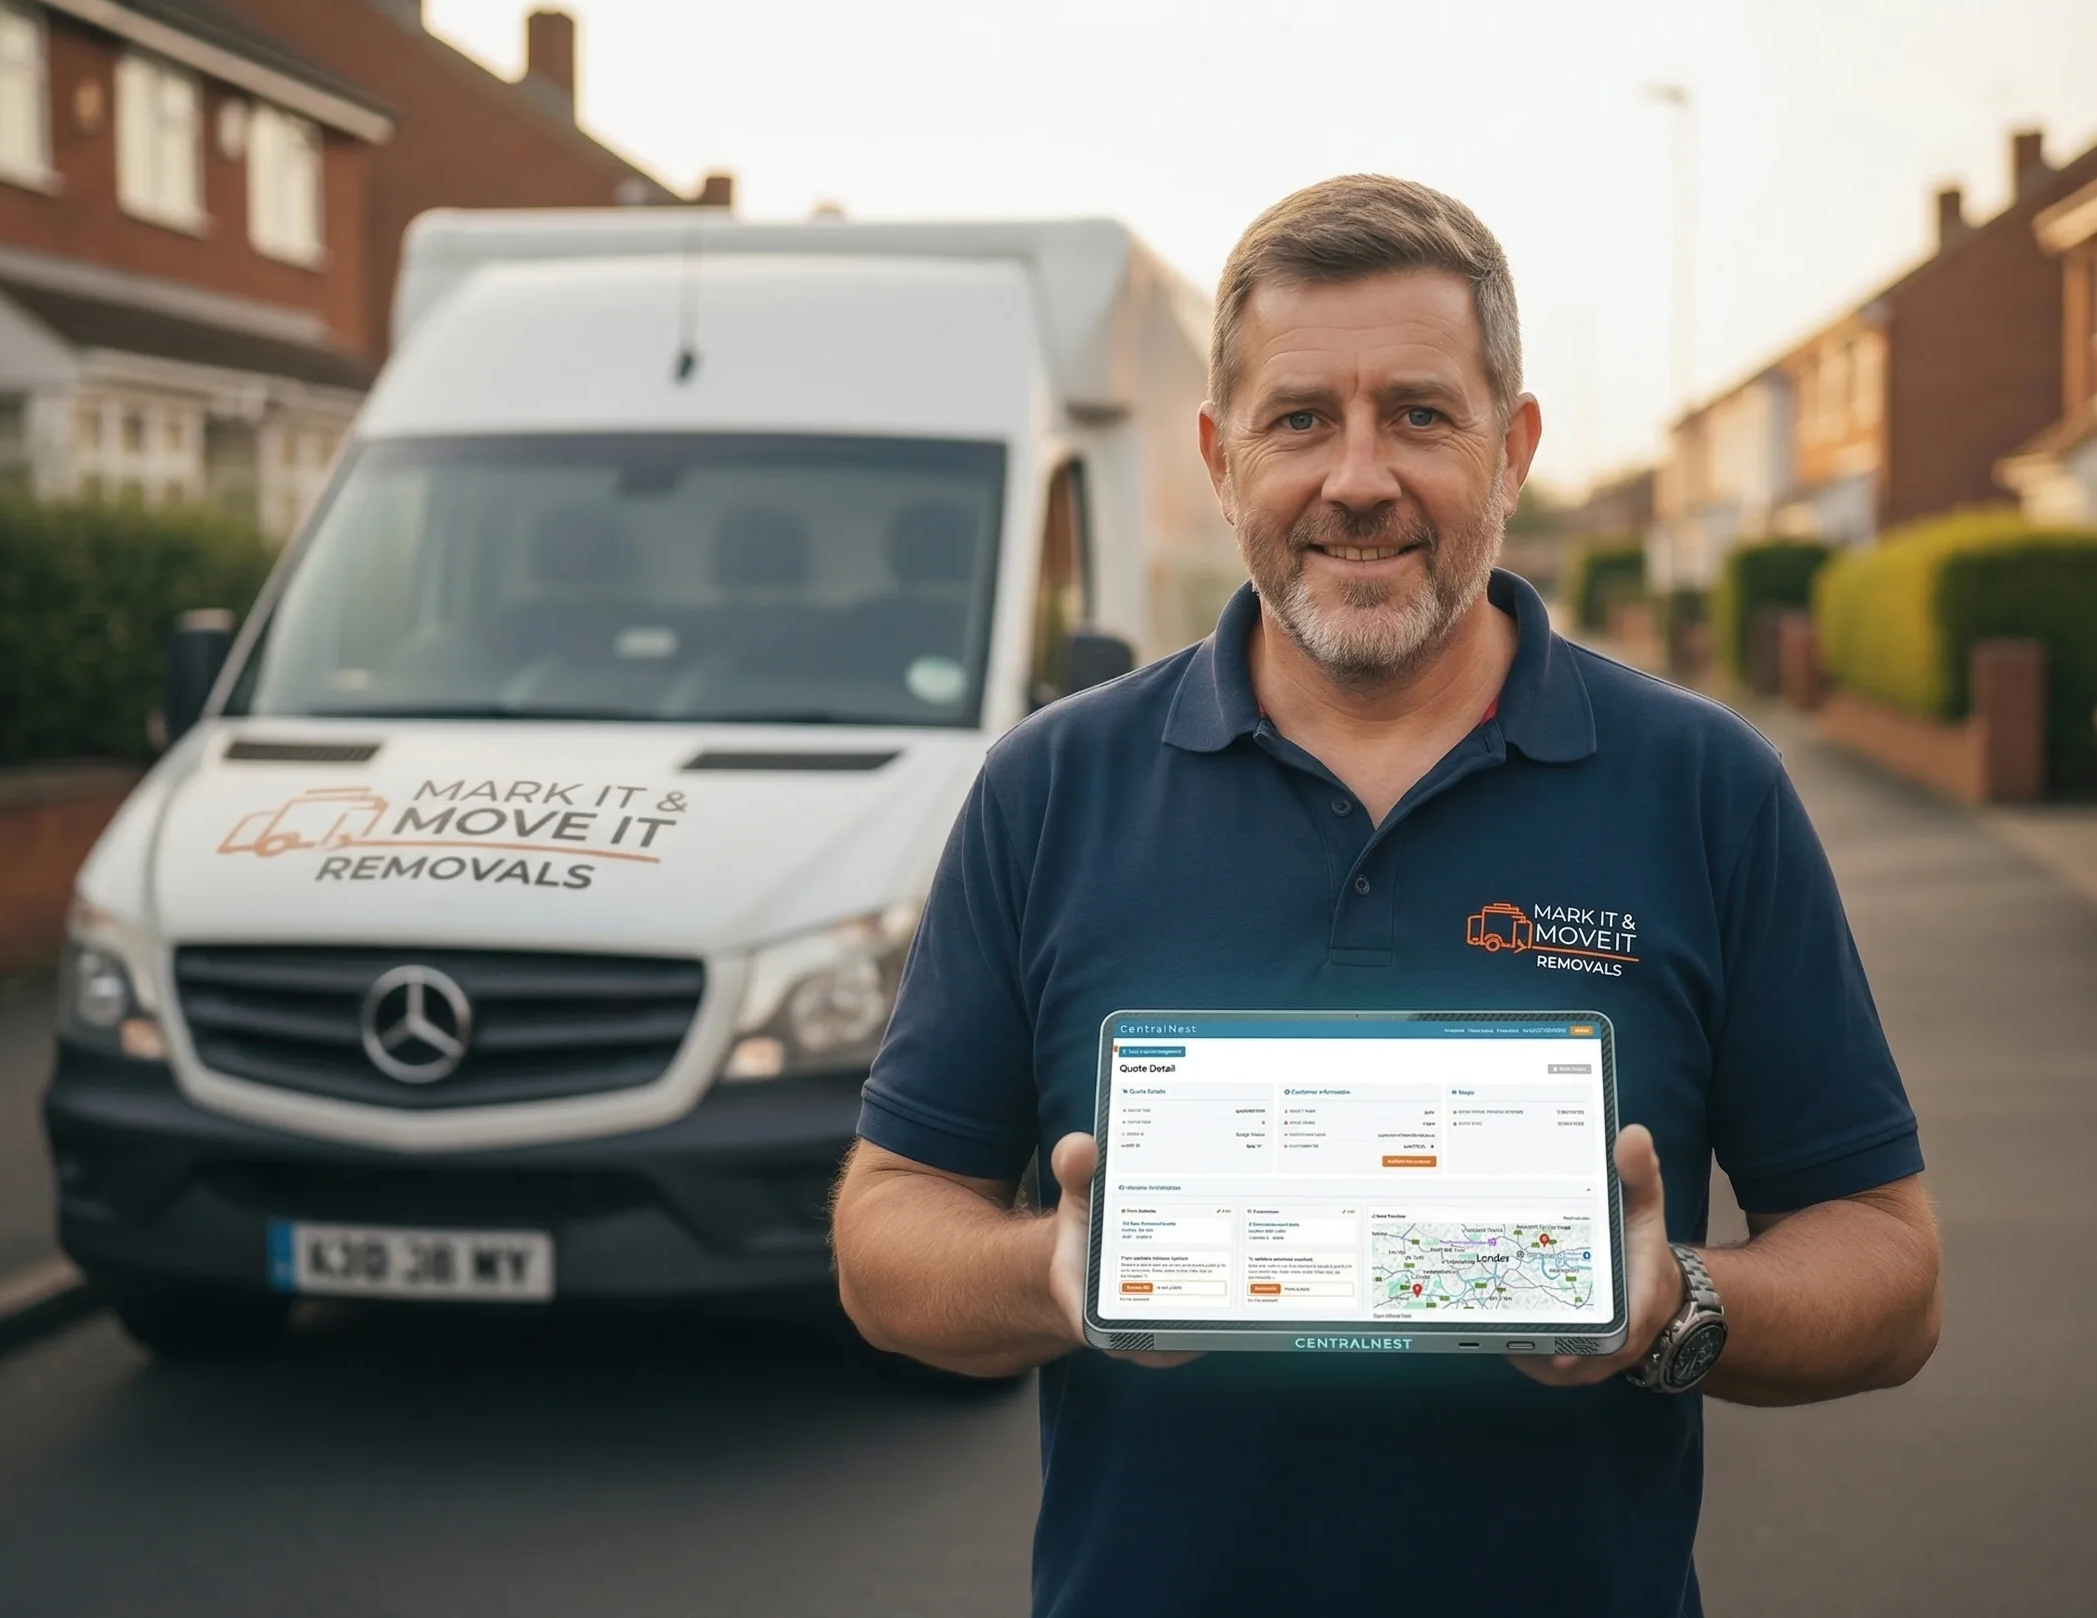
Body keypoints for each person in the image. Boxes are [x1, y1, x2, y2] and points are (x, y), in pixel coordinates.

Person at [830, 174, 1940, 1618]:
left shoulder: (1705, 786)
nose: (1359, 477)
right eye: (1302, 420)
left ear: (1514, 446)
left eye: (1420, 413)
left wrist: (1675, 1307)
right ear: (1224, 458)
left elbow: (1893, 1271)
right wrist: (1055, 1270)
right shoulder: (1052, 787)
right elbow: (885, 1231)